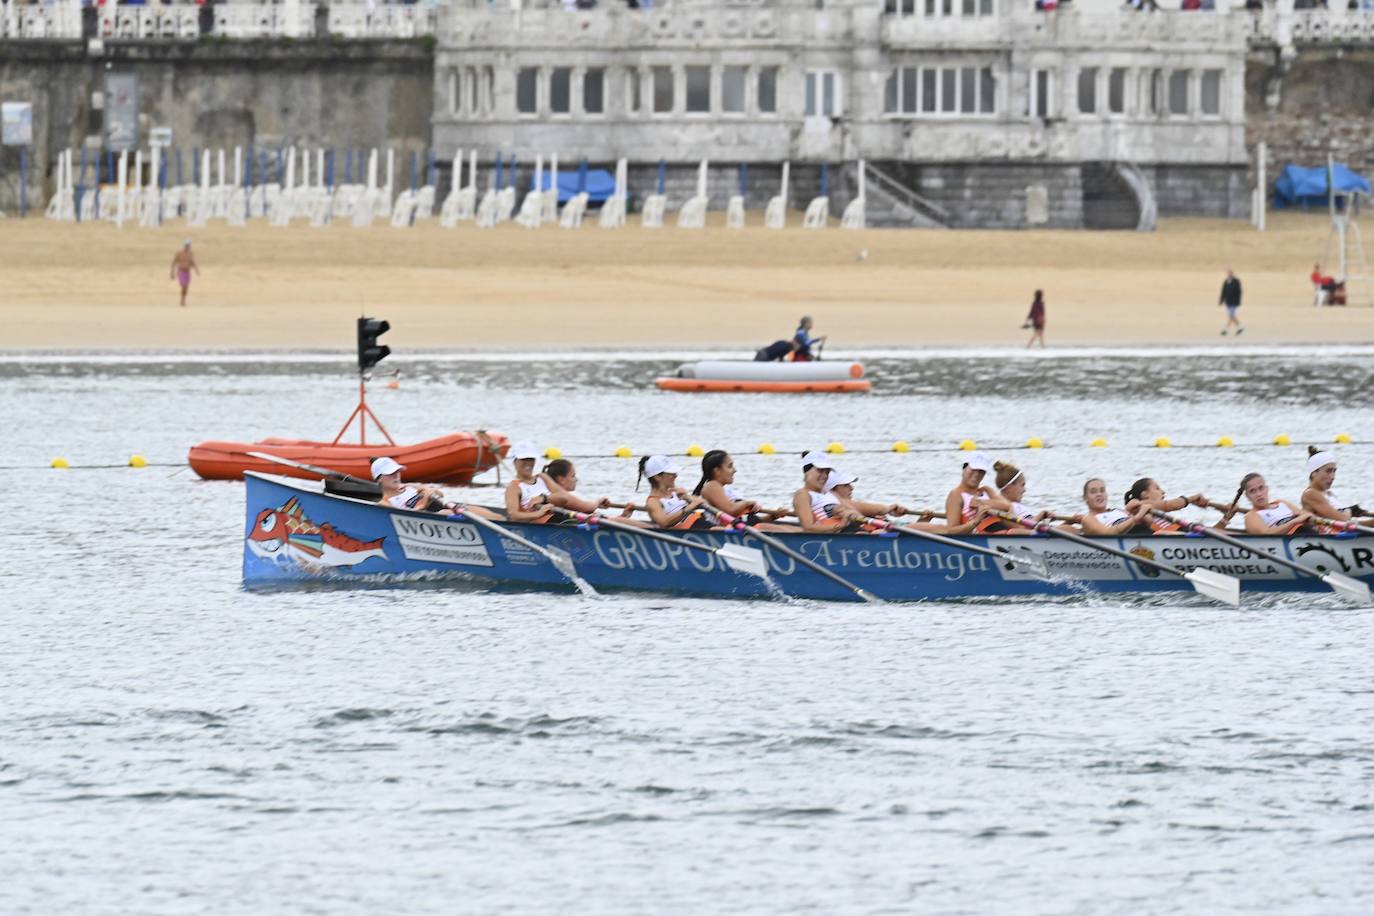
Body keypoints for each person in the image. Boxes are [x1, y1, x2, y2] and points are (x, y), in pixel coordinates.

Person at [693, 450, 790, 525]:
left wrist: (773, 516)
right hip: (724, 533)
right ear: (717, 471)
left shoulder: (726, 490)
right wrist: (747, 503)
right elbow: (730, 510)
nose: (735, 470)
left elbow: (750, 522)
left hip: (739, 529)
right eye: (730, 466)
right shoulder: (712, 486)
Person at [542, 458, 639, 520]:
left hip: (574, 524)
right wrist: (598, 502)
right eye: (573, 476)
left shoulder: (552, 494)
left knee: (604, 517)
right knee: (613, 520)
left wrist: (624, 515)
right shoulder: (560, 498)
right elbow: (588, 508)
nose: (576, 479)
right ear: (561, 480)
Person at [791, 450, 865, 532]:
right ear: (806, 471)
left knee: (877, 531)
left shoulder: (828, 493)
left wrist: (850, 514)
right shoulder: (802, 494)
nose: (824, 476)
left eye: (827, 472)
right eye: (820, 470)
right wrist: (840, 526)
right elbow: (808, 527)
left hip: (853, 529)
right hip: (837, 535)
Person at [974, 460, 1055, 534]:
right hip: (1021, 536)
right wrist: (1040, 516)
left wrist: (1045, 519)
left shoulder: (1000, 504)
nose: (1024, 490)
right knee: (1065, 528)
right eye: (1022, 485)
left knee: (1066, 526)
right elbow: (1024, 527)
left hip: (1031, 534)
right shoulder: (1008, 507)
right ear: (1009, 487)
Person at [1223, 472, 1315, 535]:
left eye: (1261, 488)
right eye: (1252, 491)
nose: (1259, 494)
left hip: (1309, 532)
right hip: (1293, 539)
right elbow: (1267, 534)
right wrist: (1295, 521)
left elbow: (1305, 515)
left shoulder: (1282, 503)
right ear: (1247, 496)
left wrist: (1303, 517)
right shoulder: (1251, 516)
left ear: (1267, 489)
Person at [1299, 446, 1368, 530]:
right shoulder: (1310, 494)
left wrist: (1350, 511)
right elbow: (1343, 520)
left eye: (1334, 471)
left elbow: (1342, 519)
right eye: (1328, 471)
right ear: (1314, 472)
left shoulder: (1329, 494)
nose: (1332, 477)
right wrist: (1349, 510)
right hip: (1325, 538)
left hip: (1340, 532)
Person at [637, 455, 712, 529]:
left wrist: (687, 496)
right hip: (691, 531)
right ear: (657, 477)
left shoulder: (677, 493)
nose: (676, 476)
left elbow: (703, 503)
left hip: (702, 524)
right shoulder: (653, 502)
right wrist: (690, 507)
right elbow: (664, 522)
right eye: (671, 473)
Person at [1121, 478, 1210, 534]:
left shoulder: (1156, 512)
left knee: (1209, 530)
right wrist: (1193, 498)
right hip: (1176, 539)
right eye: (1157, 488)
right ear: (1145, 494)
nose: (1163, 492)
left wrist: (1224, 519)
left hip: (1185, 534)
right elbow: (1170, 505)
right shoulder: (1139, 505)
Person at [371, 457, 453, 514]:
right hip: (433, 518)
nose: (396, 476)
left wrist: (426, 490)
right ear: (379, 479)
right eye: (391, 473)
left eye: (397, 471)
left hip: (447, 509)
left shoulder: (408, 487)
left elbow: (440, 494)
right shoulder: (384, 503)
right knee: (444, 512)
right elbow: (405, 517)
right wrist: (424, 502)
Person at [942, 452, 996, 535]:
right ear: (964, 468)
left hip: (996, 530)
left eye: (981, 471)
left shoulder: (986, 491)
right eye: (973, 469)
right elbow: (951, 531)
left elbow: (1008, 506)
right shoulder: (956, 495)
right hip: (978, 537)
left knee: (1017, 531)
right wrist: (976, 521)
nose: (976, 474)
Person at [1078, 478, 1155, 536]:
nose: (1099, 494)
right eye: (1093, 492)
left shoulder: (1118, 511)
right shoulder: (1088, 519)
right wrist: (1136, 518)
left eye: (1102, 490)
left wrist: (1141, 510)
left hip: (1145, 534)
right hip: (1126, 538)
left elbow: (1149, 522)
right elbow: (1107, 534)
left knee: (1163, 533)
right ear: (1085, 498)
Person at [503, 441, 556, 523]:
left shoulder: (542, 478)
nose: (528, 463)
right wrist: (539, 513)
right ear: (515, 461)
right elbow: (513, 515)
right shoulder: (513, 487)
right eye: (524, 459)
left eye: (531, 459)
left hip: (556, 518)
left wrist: (544, 498)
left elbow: (564, 498)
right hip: (541, 526)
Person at [170, 240, 199, 307]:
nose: (187, 246)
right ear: (184, 245)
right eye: (186, 245)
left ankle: (183, 299)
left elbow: (192, 262)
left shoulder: (190, 254)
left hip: (187, 272)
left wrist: (196, 270)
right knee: (184, 286)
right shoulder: (179, 253)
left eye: (188, 245)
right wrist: (172, 272)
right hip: (181, 271)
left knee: (186, 287)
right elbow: (174, 262)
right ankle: (182, 300)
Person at [1218, 268, 1243, 336]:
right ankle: (1240, 328)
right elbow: (1223, 291)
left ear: (1232, 274)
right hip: (1228, 302)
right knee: (1231, 316)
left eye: (1230, 273)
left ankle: (1225, 330)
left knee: (1231, 315)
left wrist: (1238, 301)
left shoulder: (1236, 281)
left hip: (1234, 302)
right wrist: (1221, 300)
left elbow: (1239, 292)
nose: (1229, 274)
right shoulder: (1226, 281)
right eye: (1228, 273)